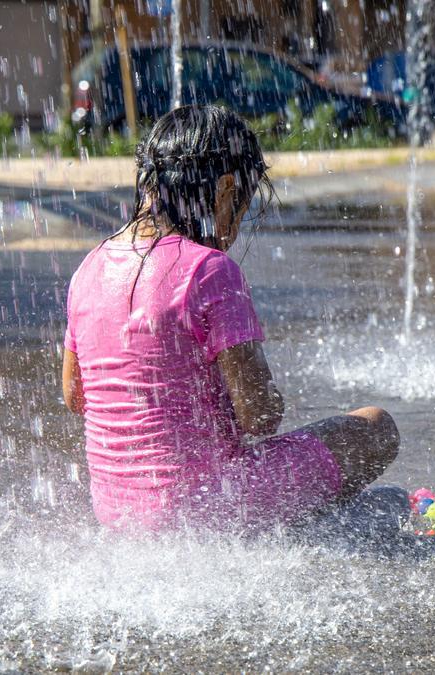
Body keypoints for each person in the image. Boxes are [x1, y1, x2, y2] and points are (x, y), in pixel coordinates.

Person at [61, 105, 399, 532]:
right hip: (210, 509)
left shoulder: (90, 266)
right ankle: (311, 521)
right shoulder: (209, 270)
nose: (237, 225)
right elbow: (259, 415)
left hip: (118, 514)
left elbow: (77, 397)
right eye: (243, 204)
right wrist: (266, 393)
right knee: (374, 427)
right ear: (224, 190)